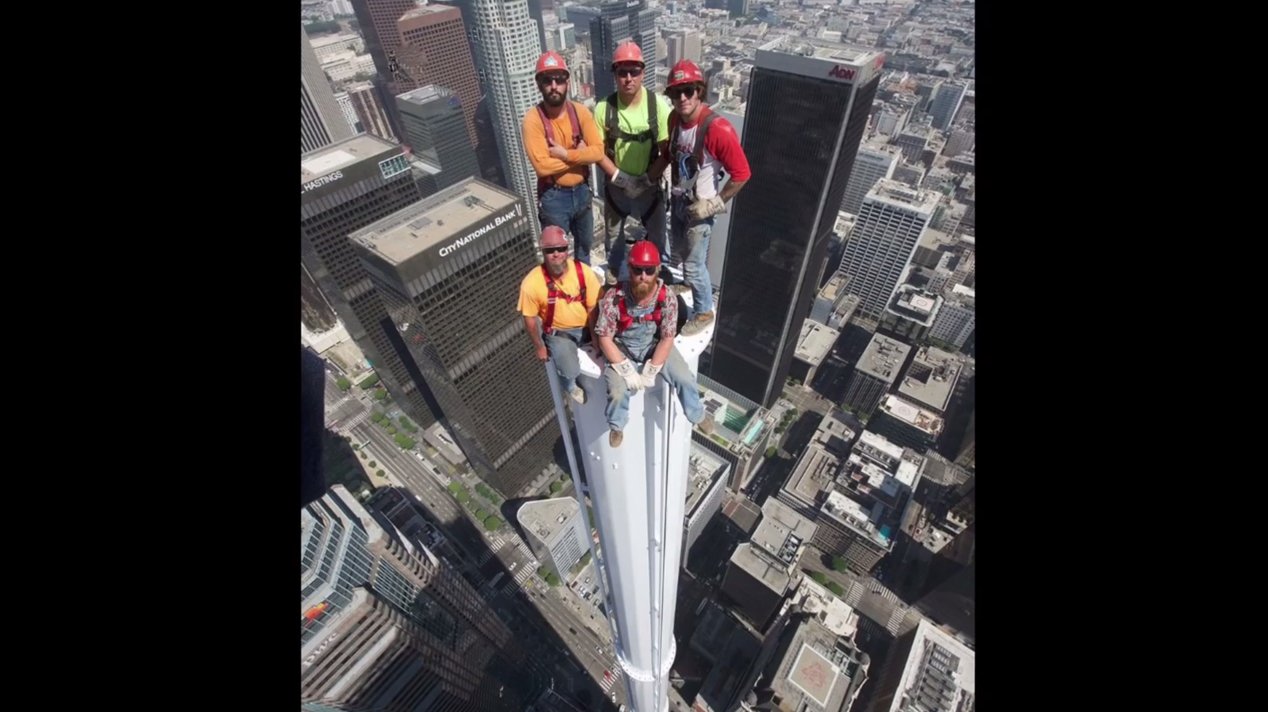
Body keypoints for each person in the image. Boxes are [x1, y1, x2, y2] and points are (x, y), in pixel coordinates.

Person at [593, 240, 713, 448]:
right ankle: (617, 425)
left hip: (653, 346)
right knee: (617, 392)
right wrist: (624, 368)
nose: (643, 276)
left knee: (684, 378)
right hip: (623, 349)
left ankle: (697, 414)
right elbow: (604, 337)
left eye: (649, 271)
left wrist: (652, 369)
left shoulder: (666, 298)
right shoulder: (615, 298)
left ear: (657, 270)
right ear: (629, 269)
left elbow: (667, 337)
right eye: (638, 270)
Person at [665, 59, 752, 336]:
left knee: (693, 264)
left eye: (688, 90)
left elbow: (742, 173)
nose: (682, 98)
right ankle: (690, 285)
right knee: (678, 251)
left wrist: (714, 204)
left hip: (700, 208)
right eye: (676, 92)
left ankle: (703, 311)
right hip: (679, 200)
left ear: (699, 91)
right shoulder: (674, 121)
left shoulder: (718, 129)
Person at [593, 41, 673, 284]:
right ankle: (615, 268)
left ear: (643, 73)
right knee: (614, 233)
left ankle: (659, 267)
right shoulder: (604, 109)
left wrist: (648, 178)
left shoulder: (656, 105)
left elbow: (666, 150)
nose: (628, 78)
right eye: (622, 72)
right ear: (615, 75)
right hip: (617, 187)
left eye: (634, 72)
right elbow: (598, 152)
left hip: (649, 184)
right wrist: (620, 178)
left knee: (657, 232)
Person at [522, 51, 605, 264]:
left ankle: (583, 290)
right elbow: (542, 167)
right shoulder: (534, 120)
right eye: (547, 80)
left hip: (582, 192)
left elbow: (598, 152)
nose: (554, 85)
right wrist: (580, 156)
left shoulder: (580, 112)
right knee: (556, 256)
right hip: (554, 197)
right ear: (539, 84)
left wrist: (565, 154)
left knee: (584, 249)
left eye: (559, 79)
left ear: (567, 81)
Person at [518, 226, 601, 405]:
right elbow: (530, 320)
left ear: (567, 249)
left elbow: (593, 307)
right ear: (543, 252)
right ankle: (570, 386)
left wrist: (595, 337)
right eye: (550, 250)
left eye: (560, 249)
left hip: (588, 325)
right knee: (570, 370)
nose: (556, 254)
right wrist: (539, 346)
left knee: (610, 347)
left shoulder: (583, 272)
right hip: (560, 333)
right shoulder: (532, 283)